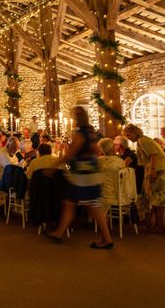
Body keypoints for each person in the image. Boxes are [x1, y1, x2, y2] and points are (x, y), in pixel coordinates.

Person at [44, 106, 113, 249]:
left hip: (83, 175)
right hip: (88, 172)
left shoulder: (81, 134)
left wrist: (53, 166)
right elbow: (95, 149)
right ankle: (59, 232)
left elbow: (69, 154)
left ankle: (107, 239)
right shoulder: (90, 131)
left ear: (77, 119)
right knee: (71, 202)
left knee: (90, 206)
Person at [124, 123, 165, 234]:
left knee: (158, 198)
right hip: (156, 169)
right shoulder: (141, 141)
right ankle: (149, 221)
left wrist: (152, 170)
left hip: (159, 170)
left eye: (128, 135)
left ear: (133, 133)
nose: (128, 138)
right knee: (151, 196)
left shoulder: (143, 140)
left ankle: (160, 225)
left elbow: (153, 155)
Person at [97, 138, 126, 210]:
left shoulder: (97, 161)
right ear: (111, 148)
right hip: (116, 195)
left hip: (99, 194)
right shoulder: (119, 161)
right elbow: (125, 178)